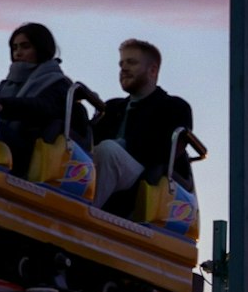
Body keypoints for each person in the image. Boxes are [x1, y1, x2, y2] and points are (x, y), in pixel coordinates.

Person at [79, 38, 196, 214]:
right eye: (121, 64)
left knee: (108, 150)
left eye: (131, 63)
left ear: (153, 70)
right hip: (110, 166)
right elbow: (89, 142)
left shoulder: (174, 107)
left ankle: (84, 211)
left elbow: (163, 150)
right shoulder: (111, 107)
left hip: (147, 174)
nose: (124, 69)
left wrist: (122, 145)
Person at [0, 22, 80, 171]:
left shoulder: (58, 83)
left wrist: (5, 107)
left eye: (25, 47)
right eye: (15, 48)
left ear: (41, 48)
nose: (18, 53)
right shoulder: (5, 85)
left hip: (32, 149)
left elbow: (43, 106)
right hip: (4, 139)